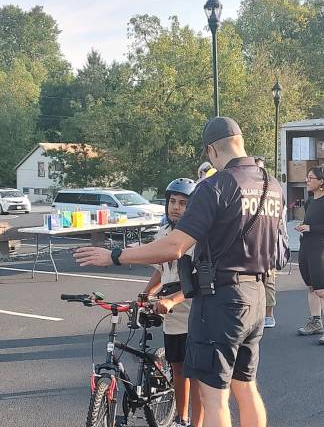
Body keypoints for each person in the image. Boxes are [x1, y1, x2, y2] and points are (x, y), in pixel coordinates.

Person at [74, 116, 285, 427]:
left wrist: (116, 255)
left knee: (215, 396)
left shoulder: (216, 185)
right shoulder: (271, 184)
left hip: (221, 300)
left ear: (212, 150)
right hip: (256, 295)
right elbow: (280, 251)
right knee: (246, 386)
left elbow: (174, 246)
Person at [142, 177, 203, 427]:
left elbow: (199, 279)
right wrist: (145, 294)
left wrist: (172, 300)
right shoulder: (165, 232)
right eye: (172, 201)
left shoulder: (197, 234)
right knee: (177, 368)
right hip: (170, 309)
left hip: (191, 307)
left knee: (195, 373)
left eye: (183, 203)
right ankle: (182, 418)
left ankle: (197, 423)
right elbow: (161, 269)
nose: (176, 207)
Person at [295, 166, 324, 344]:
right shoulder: (309, 201)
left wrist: (311, 228)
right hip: (306, 247)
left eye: (311, 178)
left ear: (321, 182)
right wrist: (304, 227)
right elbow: (310, 222)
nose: (307, 180)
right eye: (307, 177)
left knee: (322, 289)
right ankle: (316, 322)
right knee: (312, 287)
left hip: (320, 249)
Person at [254, 156, 277, 328]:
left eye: (260, 167)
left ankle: (269, 315)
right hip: (251, 244)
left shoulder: (273, 187)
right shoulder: (247, 188)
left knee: (268, 280)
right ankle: (255, 315)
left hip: (268, 243)